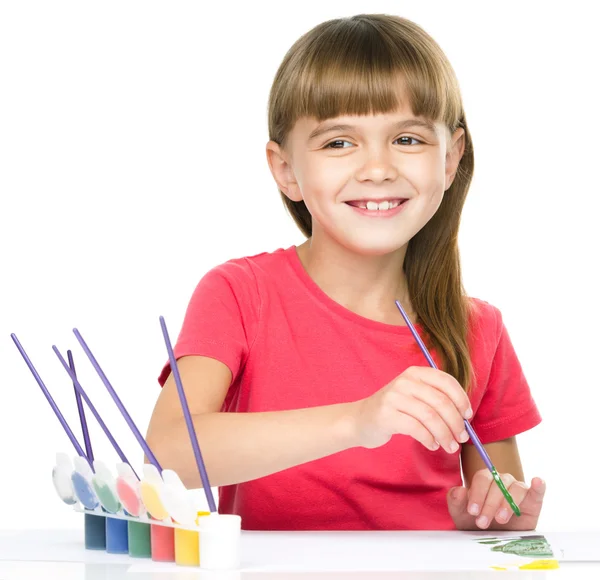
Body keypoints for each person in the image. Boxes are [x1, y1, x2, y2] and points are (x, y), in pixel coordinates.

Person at [146, 13, 544, 531]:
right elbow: (167, 452)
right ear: (285, 169)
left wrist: (492, 513)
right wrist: (359, 420)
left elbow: (500, 512)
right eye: (339, 142)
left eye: (407, 139)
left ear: (451, 159)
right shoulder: (241, 294)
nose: (377, 168)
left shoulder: (478, 328)